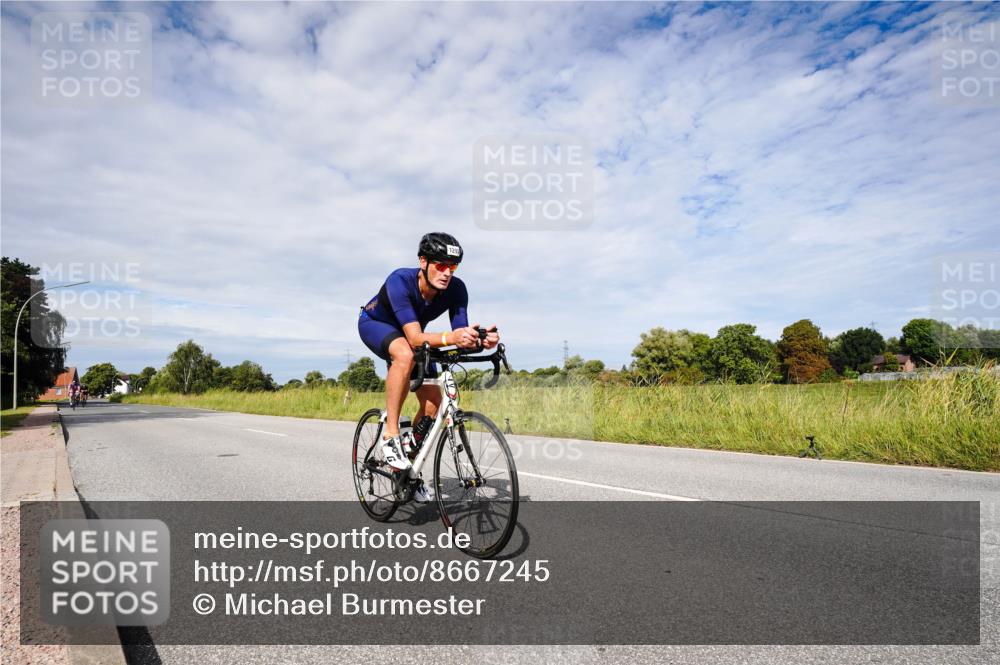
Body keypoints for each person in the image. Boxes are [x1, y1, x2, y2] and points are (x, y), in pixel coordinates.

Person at [358, 233, 499, 502]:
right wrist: (452, 338)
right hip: (376, 324)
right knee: (405, 353)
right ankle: (391, 434)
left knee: (434, 402)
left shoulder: (456, 289)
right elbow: (413, 338)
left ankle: (408, 469)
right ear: (423, 261)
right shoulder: (400, 280)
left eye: (453, 267)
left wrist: (480, 341)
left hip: (415, 335)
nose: (447, 273)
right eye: (441, 265)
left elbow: (459, 335)